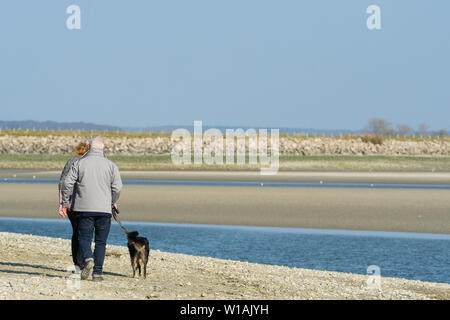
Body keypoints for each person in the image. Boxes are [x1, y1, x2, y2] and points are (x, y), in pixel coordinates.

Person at [61, 136, 123, 281]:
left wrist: (65, 202)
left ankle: (88, 259)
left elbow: (67, 183)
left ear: (89, 147)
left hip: (83, 208)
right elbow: (118, 187)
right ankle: (98, 273)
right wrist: (112, 201)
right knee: (101, 241)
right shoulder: (111, 165)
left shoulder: (80, 163)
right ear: (103, 149)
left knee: (84, 238)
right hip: (104, 209)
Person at [58, 141, 90, 272]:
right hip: (84, 202)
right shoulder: (88, 162)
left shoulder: (71, 161)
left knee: (77, 232)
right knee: (84, 232)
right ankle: (83, 260)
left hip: (71, 202)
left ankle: (79, 262)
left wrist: (61, 203)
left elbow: (62, 183)